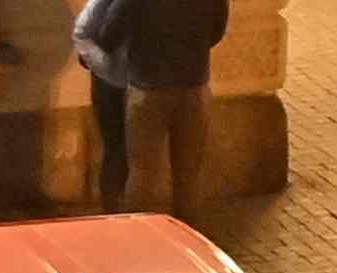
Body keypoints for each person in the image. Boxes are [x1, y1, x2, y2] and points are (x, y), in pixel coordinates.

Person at [68, 0, 223, 212]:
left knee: (142, 176)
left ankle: (140, 239)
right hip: (194, 86)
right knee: (189, 178)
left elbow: (109, 36)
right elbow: (216, 32)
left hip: (149, 88)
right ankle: (187, 238)